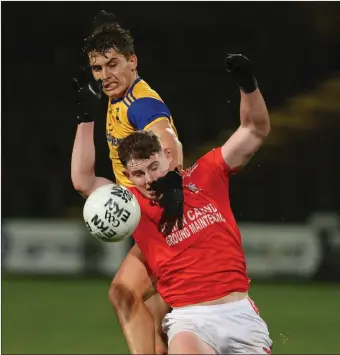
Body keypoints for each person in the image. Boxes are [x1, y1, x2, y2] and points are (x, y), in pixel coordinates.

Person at [72, 52, 273, 354]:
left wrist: (248, 85)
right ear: (128, 176)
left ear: (168, 156)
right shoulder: (134, 205)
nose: (148, 179)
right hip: (189, 321)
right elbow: (84, 182)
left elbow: (254, 129)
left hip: (239, 315)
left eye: (153, 167)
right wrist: (85, 119)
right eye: (138, 174)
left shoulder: (206, 174)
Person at [71, 10, 182, 354]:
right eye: (97, 69)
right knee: (159, 335)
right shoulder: (115, 101)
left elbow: (168, 140)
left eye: (113, 64)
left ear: (133, 62)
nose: (105, 75)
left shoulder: (139, 103)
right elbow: (82, 180)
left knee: (123, 292)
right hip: (150, 224)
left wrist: (172, 181)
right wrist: (85, 117)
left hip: (167, 224)